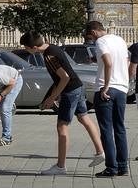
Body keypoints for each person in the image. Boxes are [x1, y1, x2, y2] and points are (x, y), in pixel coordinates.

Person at [20, 30, 104, 175]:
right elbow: (60, 78)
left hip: (70, 90)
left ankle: (60, 166)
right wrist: (49, 96)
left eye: (26, 47)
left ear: (33, 47)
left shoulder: (49, 56)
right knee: (84, 118)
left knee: (62, 126)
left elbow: (64, 78)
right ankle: (100, 152)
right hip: (78, 85)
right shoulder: (53, 47)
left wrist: (53, 98)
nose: (25, 50)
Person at [84, 20, 129, 177]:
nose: (92, 40)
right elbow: (123, 61)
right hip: (122, 88)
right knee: (120, 128)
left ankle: (111, 167)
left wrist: (106, 86)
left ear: (94, 32)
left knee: (106, 130)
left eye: (91, 37)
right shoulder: (120, 40)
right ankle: (123, 166)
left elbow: (109, 63)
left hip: (106, 89)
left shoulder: (101, 41)